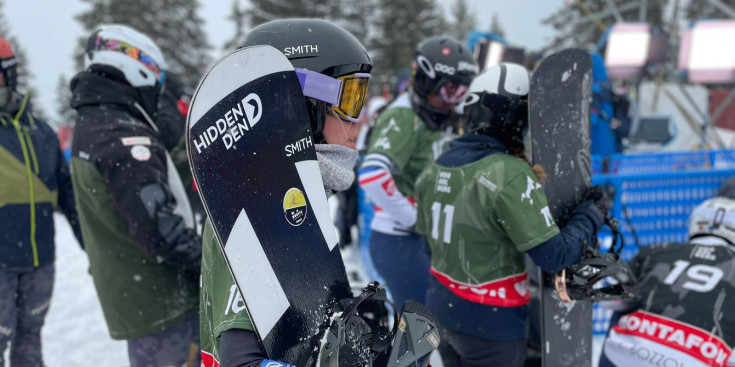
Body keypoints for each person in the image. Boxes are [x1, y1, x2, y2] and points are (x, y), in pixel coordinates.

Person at [198, 18, 372, 367]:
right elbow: (242, 362)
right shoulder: (257, 204)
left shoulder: (294, 190)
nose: (359, 121)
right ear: (300, 102)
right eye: (350, 99)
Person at [413, 63, 607, 367]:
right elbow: (554, 255)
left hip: (442, 311)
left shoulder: (435, 166)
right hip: (491, 325)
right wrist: (591, 214)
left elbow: (428, 245)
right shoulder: (508, 172)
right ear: (516, 118)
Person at [69, 24, 201, 367]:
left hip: (137, 294)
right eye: (152, 88)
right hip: (160, 299)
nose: (154, 99)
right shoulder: (123, 139)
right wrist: (214, 263)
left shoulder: (95, 123)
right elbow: (161, 231)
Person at [358, 36, 476, 309]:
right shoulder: (404, 115)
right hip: (399, 238)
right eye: (450, 92)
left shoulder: (435, 117)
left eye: (462, 94)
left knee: (426, 327)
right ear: (425, 82)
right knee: (420, 330)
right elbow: (373, 176)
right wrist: (414, 219)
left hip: (420, 238)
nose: (453, 102)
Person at [0, 37, 84, 367]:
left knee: (29, 339)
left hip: (40, 262)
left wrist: (94, 248)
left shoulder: (42, 134)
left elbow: (70, 198)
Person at [599, 194, 735, 367]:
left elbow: (609, 298)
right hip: (699, 358)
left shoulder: (656, 250)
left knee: (625, 304)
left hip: (627, 353)